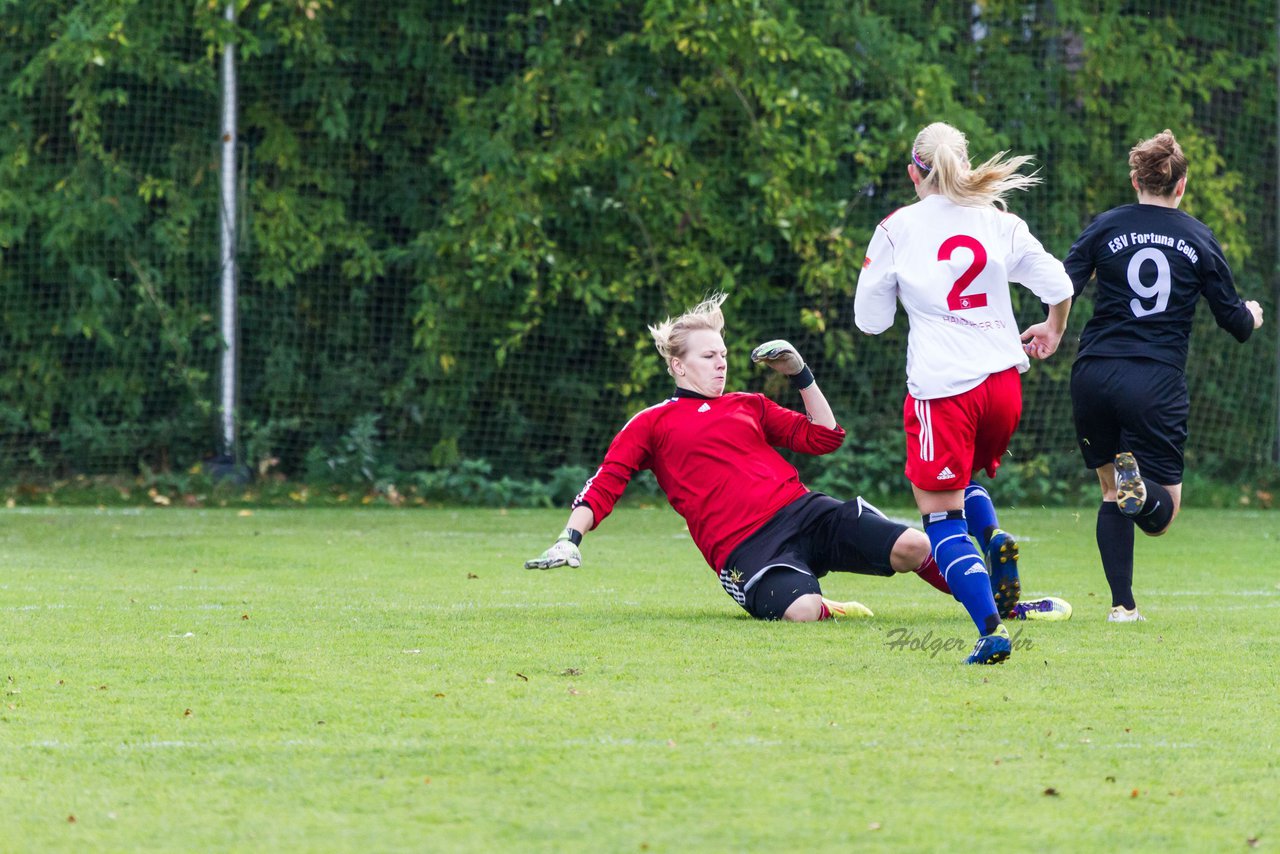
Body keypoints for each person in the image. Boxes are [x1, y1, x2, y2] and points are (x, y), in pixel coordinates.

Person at [523, 294, 1013, 664]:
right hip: (745, 551)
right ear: (677, 365)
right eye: (708, 356)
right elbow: (606, 482)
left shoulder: (748, 405)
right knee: (801, 612)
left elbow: (826, 437)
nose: (721, 363)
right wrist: (570, 537)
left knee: (916, 547)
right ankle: (829, 606)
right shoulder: (651, 422)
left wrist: (801, 375)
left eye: (723, 354)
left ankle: (1000, 606)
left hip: (804, 512)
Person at [853, 121, 1076, 658]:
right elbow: (1060, 286)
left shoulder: (897, 228)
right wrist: (1052, 329)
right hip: (1003, 385)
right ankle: (994, 538)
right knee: (962, 484)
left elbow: (871, 322)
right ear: (965, 163)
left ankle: (991, 631)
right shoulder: (997, 220)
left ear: (914, 172)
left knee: (939, 519)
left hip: (942, 390)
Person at [1064, 129, 1264, 622]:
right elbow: (1235, 324)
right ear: (1181, 186)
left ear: (1136, 179)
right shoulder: (1198, 237)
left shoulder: (1106, 226)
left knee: (1110, 492)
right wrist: (1255, 314)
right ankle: (1141, 488)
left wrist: (1051, 328)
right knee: (1161, 516)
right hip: (1153, 380)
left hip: (1093, 371)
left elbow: (1058, 284)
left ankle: (1122, 607)